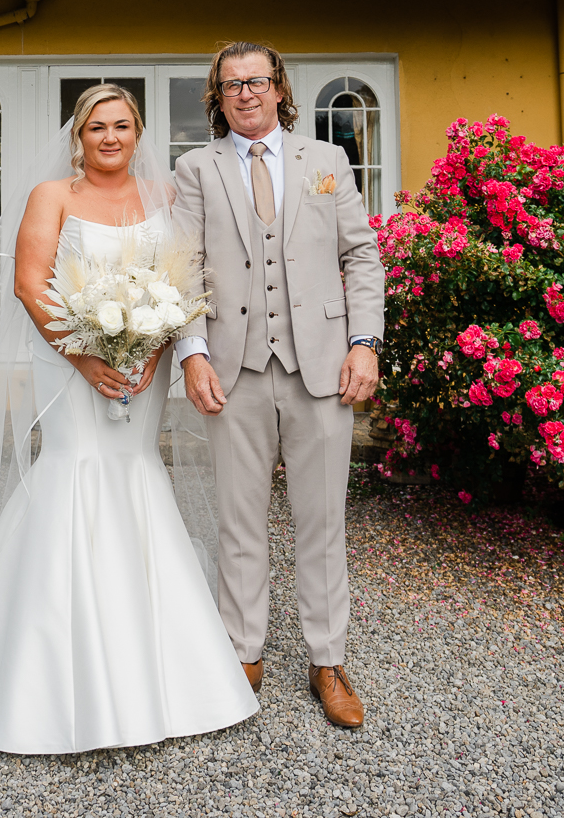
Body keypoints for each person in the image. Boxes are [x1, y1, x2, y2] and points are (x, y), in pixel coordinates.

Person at [0, 83, 258, 755]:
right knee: (75, 469)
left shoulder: (163, 197)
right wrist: (85, 358)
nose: (110, 137)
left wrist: (154, 348)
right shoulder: (53, 197)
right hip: (70, 362)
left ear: (137, 133)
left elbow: (181, 280)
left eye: (123, 126)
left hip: (142, 366)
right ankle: (45, 665)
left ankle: (160, 662)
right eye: (97, 126)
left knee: (135, 469)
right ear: (79, 135)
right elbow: (29, 283)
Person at [172, 41, 386, 730]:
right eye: (231, 84)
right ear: (218, 95)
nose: (245, 93)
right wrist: (193, 354)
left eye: (256, 81)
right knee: (239, 523)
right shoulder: (195, 168)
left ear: (278, 87)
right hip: (232, 369)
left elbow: (360, 256)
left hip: (320, 366)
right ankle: (244, 656)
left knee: (322, 522)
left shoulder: (326, 161)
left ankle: (328, 661)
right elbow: (183, 266)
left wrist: (364, 344)